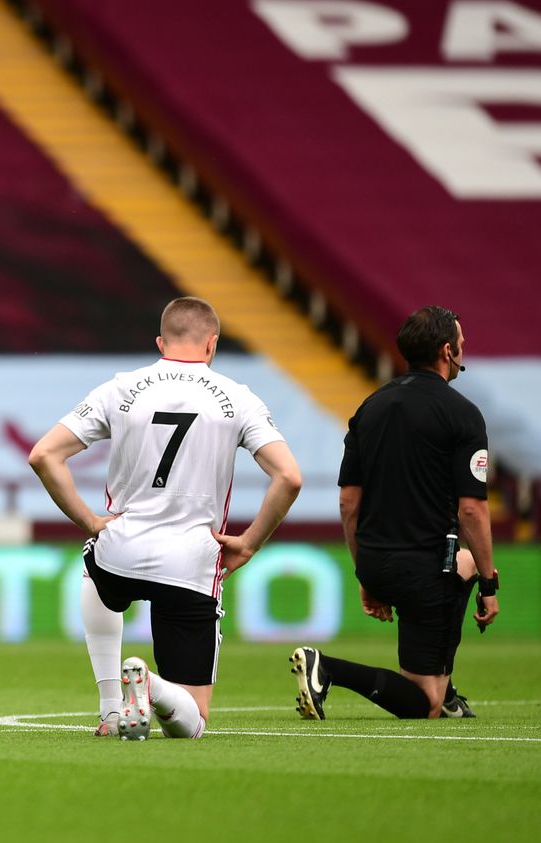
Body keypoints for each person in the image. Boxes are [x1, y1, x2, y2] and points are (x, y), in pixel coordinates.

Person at [29, 297, 301, 740]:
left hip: (121, 548)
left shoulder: (120, 387)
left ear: (160, 342)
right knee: (191, 723)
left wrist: (92, 522)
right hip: (190, 564)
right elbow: (289, 477)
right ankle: (150, 685)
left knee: (94, 569)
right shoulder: (239, 398)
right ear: (212, 344)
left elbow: (44, 455)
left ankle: (110, 709)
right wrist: (249, 542)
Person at [291, 306, 498, 720]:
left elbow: (348, 502)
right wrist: (491, 585)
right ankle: (328, 668)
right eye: (460, 342)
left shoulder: (371, 407)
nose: (463, 349)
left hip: (377, 561)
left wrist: (363, 572)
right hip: (426, 569)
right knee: (425, 704)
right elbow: (472, 509)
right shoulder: (462, 414)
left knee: (463, 565)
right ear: (447, 351)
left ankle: (446, 682)